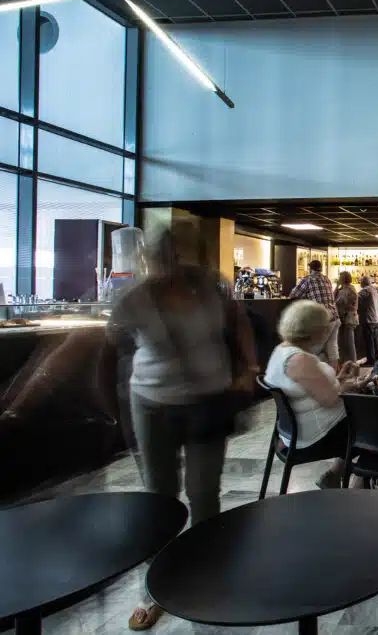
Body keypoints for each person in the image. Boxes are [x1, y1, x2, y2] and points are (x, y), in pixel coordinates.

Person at [109, 226, 256, 631]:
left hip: (209, 399)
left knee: (204, 490)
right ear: (150, 260)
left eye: (176, 257)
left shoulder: (211, 286)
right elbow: (110, 344)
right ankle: (153, 589)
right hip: (153, 403)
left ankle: (206, 572)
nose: (169, 266)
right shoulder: (134, 297)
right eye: (161, 258)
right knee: (160, 494)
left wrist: (248, 366)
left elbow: (239, 320)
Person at [264, 300, 373, 489]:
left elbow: (312, 391)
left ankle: (336, 475)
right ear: (312, 329)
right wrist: (355, 384)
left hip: (293, 432)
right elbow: (331, 399)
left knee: (366, 422)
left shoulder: (281, 351)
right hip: (312, 438)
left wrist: (339, 378)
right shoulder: (300, 360)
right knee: (376, 429)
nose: (327, 331)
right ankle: (358, 490)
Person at [289, 260, 340, 370]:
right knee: (332, 347)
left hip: (322, 319)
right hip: (335, 317)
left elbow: (293, 295)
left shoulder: (307, 280)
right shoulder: (327, 279)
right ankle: (334, 375)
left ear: (310, 268)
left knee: (314, 349)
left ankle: (315, 375)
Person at [335, 271, 358, 364]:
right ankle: (347, 364)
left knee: (349, 343)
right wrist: (337, 286)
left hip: (347, 319)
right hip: (345, 318)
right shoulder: (346, 289)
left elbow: (346, 304)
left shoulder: (349, 291)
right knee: (344, 343)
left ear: (343, 279)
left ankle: (353, 364)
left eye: (340, 277)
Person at [357, 275, 378, 366]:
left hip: (369, 319)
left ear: (363, 282)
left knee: (369, 341)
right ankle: (376, 358)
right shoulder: (374, 289)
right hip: (376, 318)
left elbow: (356, 298)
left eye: (360, 281)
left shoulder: (365, 290)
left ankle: (371, 361)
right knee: (375, 340)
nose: (359, 283)